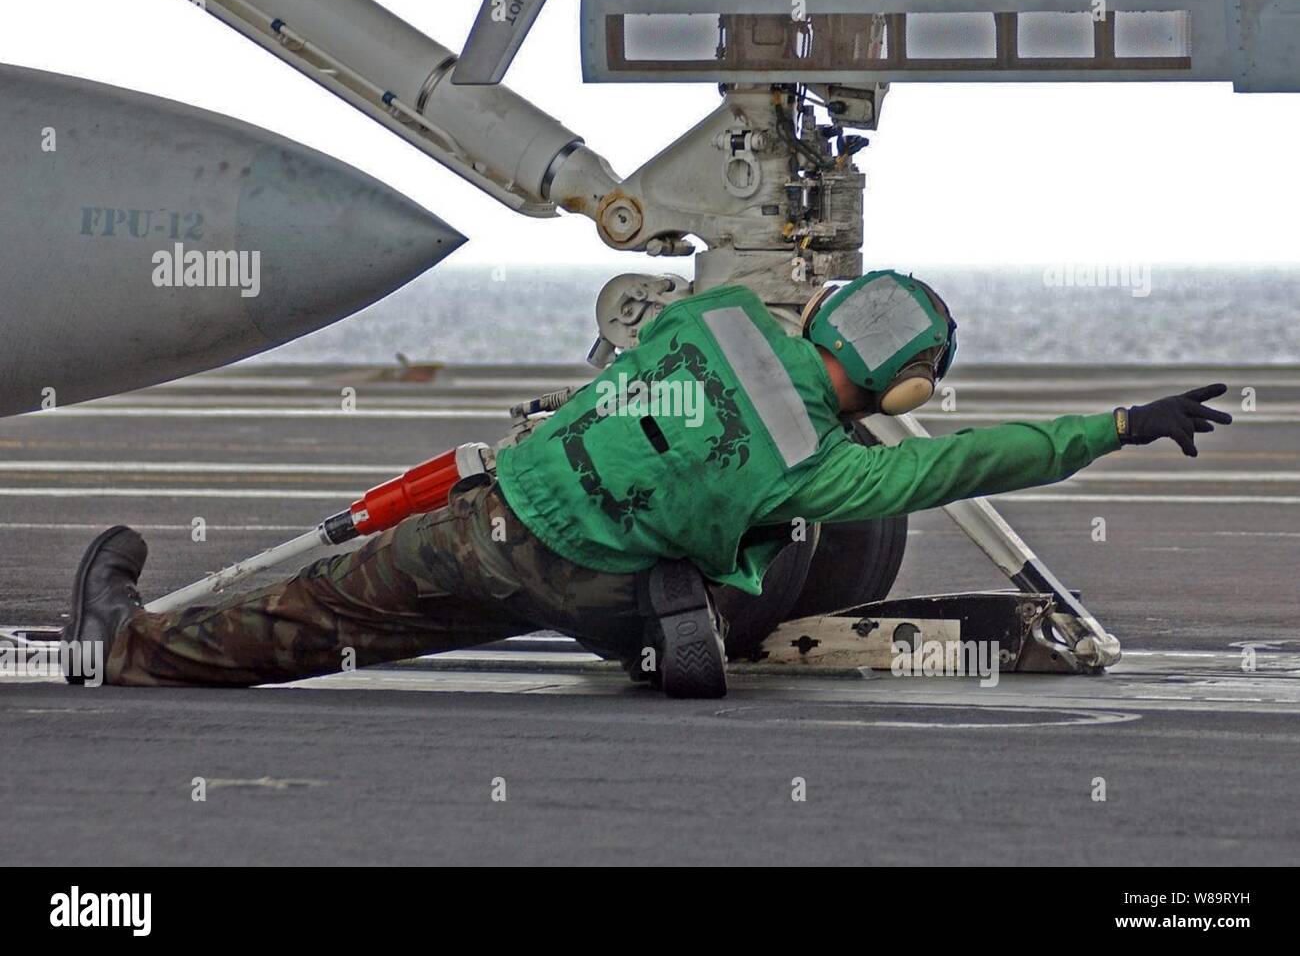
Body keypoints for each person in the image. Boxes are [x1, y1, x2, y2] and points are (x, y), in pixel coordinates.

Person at [64, 271, 1233, 697]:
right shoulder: (825, 460)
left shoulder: (713, 312)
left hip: (500, 523)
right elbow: (986, 457)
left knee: (328, 617)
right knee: (768, 538)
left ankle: (131, 647)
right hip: (603, 592)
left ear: (821, 311)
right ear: (906, 392)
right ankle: (675, 616)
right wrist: (1123, 421)